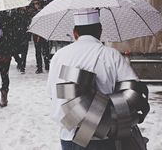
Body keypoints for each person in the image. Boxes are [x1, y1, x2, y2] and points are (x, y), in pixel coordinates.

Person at [47, 8, 138, 150]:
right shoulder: (112, 55)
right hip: (102, 138)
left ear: (75, 33)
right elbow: (133, 95)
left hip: (68, 135)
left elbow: (52, 93)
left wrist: (77, 109)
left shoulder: (59, 56)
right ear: (100, 31)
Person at [31, 0, 50, 74]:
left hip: (43, 34)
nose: (36, 5)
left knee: (45, 51)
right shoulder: (33, 13)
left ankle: (46, 65)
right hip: (37, 34)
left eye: (37, 3)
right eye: (35, 4)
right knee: (38, 52)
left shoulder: (43, 12)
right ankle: (40, 67)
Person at [12, 6, 32, 74]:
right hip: (16, 36)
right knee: (14, 52)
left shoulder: (27, 14)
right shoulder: (14, 13)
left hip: (25, 35)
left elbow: (29, 23)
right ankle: (20, 62)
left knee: (24, 53)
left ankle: (22, 67)